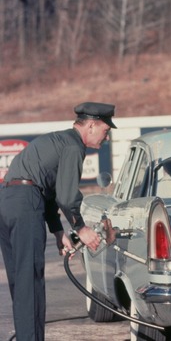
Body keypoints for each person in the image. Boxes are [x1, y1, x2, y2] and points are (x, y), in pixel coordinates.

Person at [0, 102, 115, 341]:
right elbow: (66, 195)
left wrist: (57, 231)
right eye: (106, 130)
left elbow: (47, 190)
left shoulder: (57, 140)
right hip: (25, 203)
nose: (107, 137)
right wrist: (81, 228)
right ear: (91, 126)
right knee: (30, 284)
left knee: (20, 284)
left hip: (7, 200)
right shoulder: (74, 147)